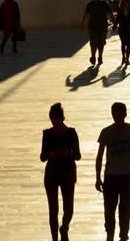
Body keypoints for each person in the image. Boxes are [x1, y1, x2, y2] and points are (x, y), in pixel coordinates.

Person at [96, 102, 130, 241]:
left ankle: (123, 234)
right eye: (114, 114)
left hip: (126, 176)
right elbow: (99, 155)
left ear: (125, 114)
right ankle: (110, 233)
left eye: (118, 114)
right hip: (110, 176)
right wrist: (98, 177)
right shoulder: (106, 132)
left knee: (125, 209)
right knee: (109, 209)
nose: (116, 117)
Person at [41, 103, 81, 241]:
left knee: (68, 207)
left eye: (57, 119)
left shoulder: (71, 133)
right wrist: (50, 153)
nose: (54, 122)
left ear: (63, 118)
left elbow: (78, 155)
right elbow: (42, 156)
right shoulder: (47, 134)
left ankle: (64, 227)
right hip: (51, 173)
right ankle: (54, 238)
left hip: (67, 173)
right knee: (53, 209)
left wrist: (68, 152)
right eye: (52, 119)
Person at [82, 0, 114, 67]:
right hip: (93, 27)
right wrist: (82, 23)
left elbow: (111, 14)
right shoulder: (90, 4)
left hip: (103, 27)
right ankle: (93, 57)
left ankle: (99, 56)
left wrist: (114, 22)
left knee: (101, 43)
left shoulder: (105, 4)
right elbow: (85, 14)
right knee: (93, 43)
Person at [112, 0, 130, 67]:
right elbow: (117, 19)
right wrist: (114, 26)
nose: (126, 3)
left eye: (127, 2)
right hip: (122, 29)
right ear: (122, 2)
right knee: (123, 43)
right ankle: (123, 56)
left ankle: (127, 59)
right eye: (124, 2)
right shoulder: (120, 10)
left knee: (128, 44)